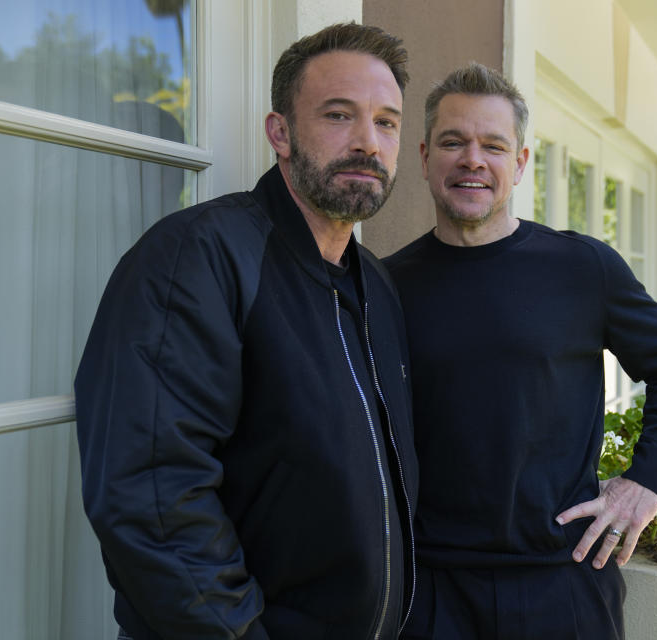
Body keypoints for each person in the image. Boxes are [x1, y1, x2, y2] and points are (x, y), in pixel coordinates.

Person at [75, 23, 418, 640]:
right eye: (339, 115)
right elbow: (153, 497)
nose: (368, 142)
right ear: (279, 132)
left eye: (387, 122)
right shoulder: (196, 258)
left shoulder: (377, 286)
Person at [384, 63, 657, 639]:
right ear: (425, 155)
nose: (472, 160)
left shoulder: (583, 269)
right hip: (430, 591)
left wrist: (645, 482)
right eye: (454, 142)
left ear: (521, 163)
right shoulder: (386, 287)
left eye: (493, 145)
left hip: (563, 583)